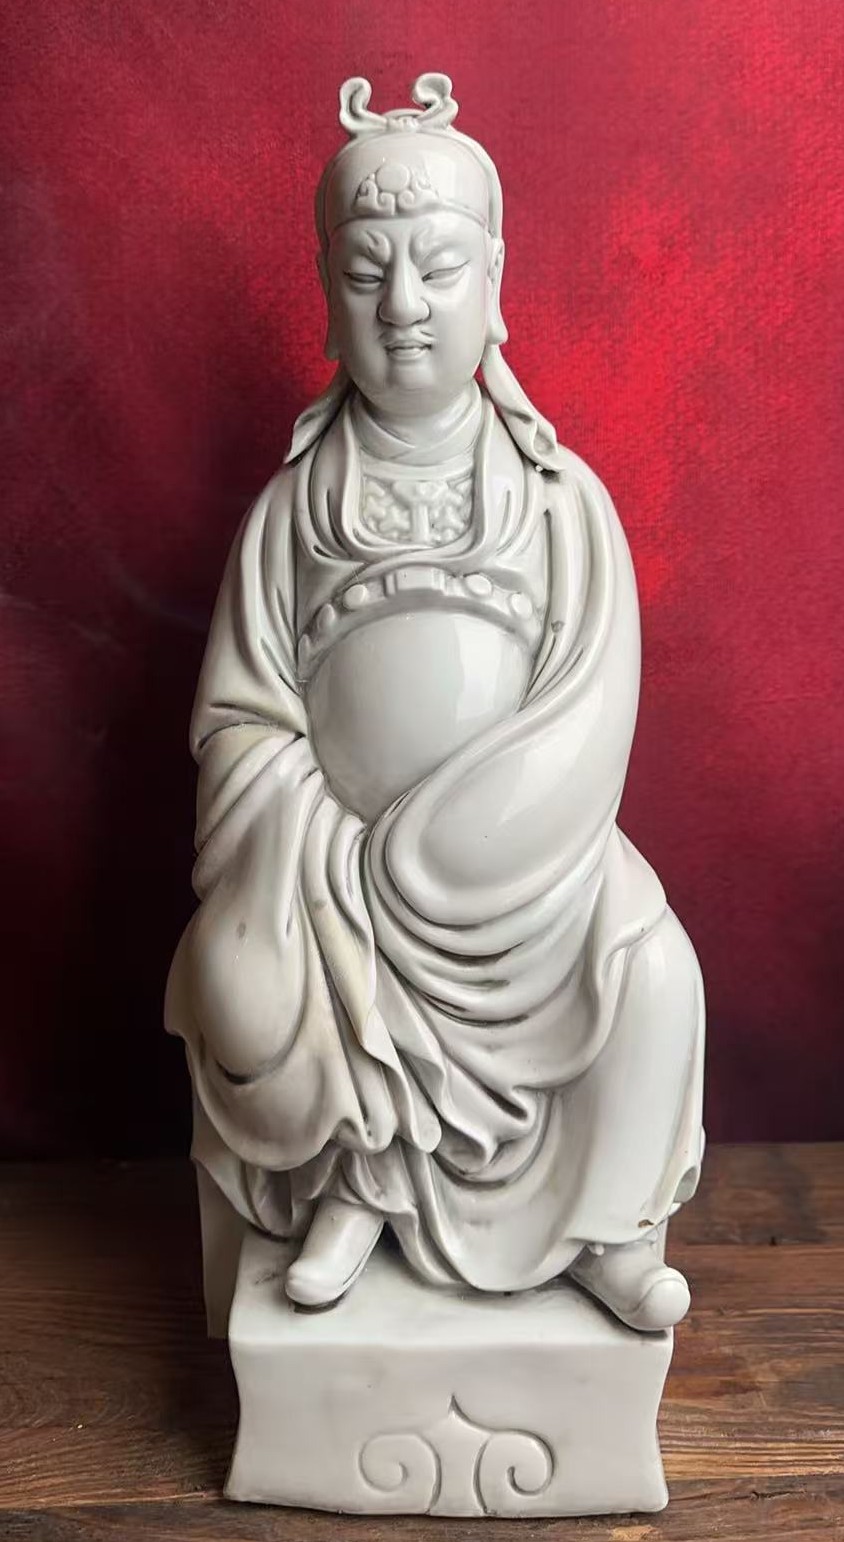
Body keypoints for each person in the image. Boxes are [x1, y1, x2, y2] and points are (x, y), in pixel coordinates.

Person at [166, 74, 705, 1331]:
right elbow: (240, 717)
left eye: (438, 267)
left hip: (525, 868)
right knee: (240, 988)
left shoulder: (558, 499)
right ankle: (359, 1191)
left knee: (654, 973)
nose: (403, 306)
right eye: (366, 275)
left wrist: (472, 846)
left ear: (493, 281)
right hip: (329, 872)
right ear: (328, 295)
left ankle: (603, 1229)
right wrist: (320, 842)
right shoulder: (291, 510)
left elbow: (594, 695)